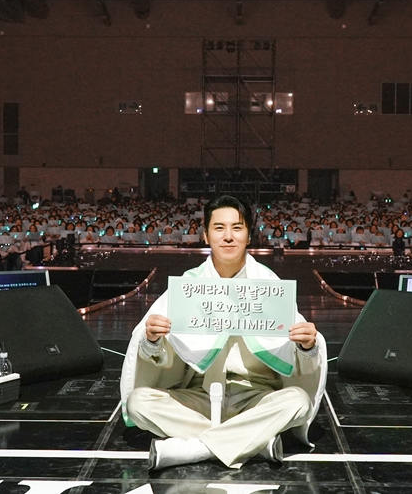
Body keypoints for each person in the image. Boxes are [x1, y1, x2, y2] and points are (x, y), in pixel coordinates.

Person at [120, 195, 326, 471]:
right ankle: (255, 442)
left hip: (255, 397)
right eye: (219, 228)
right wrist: (153, 339)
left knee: (298, 402)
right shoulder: (189, 286)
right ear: (206, 235)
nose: (228, 236)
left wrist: (307, 345)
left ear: (249, 236)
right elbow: (152, 354)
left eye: (237, 228)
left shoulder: (269, 285)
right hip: (199, 396)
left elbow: (298, 356)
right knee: (139, 403)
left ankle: (196, 449)